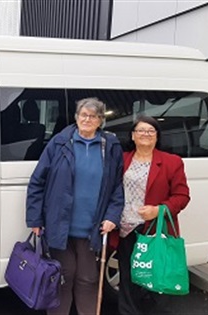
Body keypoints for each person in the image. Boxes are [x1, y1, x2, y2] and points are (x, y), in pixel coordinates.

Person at [26, 97, 124, 315]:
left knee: (88, 279)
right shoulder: (60, 143)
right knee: (62, 276)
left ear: (100, 121)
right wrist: (35, 219)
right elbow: (37, 181)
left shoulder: (110, 146)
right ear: (76, 117)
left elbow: (117, 186)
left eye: (93, 116)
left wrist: (112, 217)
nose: (87, 119)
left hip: (93, 228)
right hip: (60, 226)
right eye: (83, 115)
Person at [116, 115, 190, 315]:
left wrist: (157, 210)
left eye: (151, 131)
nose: (145, 134)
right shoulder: (123, 160)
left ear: (157, 136)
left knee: (156, 279)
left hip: (154, 230)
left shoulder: (171, 162)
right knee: (128, 279)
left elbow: (182, 196)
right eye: (140, 130)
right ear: (132, 135)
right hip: (125, 229)